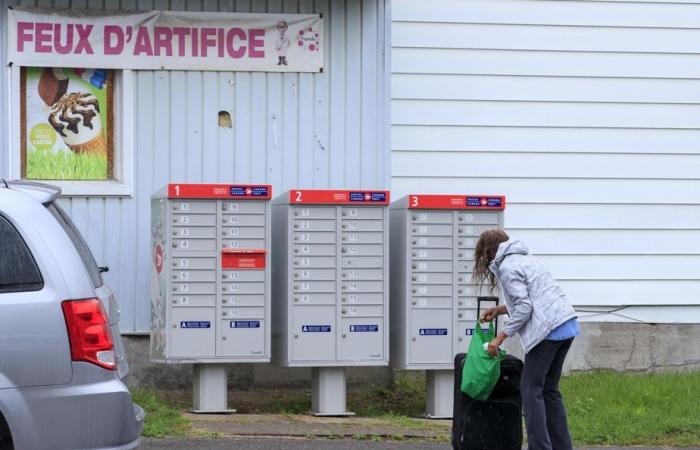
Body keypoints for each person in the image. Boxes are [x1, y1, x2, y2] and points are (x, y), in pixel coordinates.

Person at [472, 229, 579, 450]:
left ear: (489, 251)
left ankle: (539, 447)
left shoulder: (508, 267)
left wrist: (499, 338)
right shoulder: (525, 259)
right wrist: (500, 310)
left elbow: (525, 307)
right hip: (565, 324)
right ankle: (562, 446)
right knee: (549, 389)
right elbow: (531, 299)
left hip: (547, 330)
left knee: (530, 388)